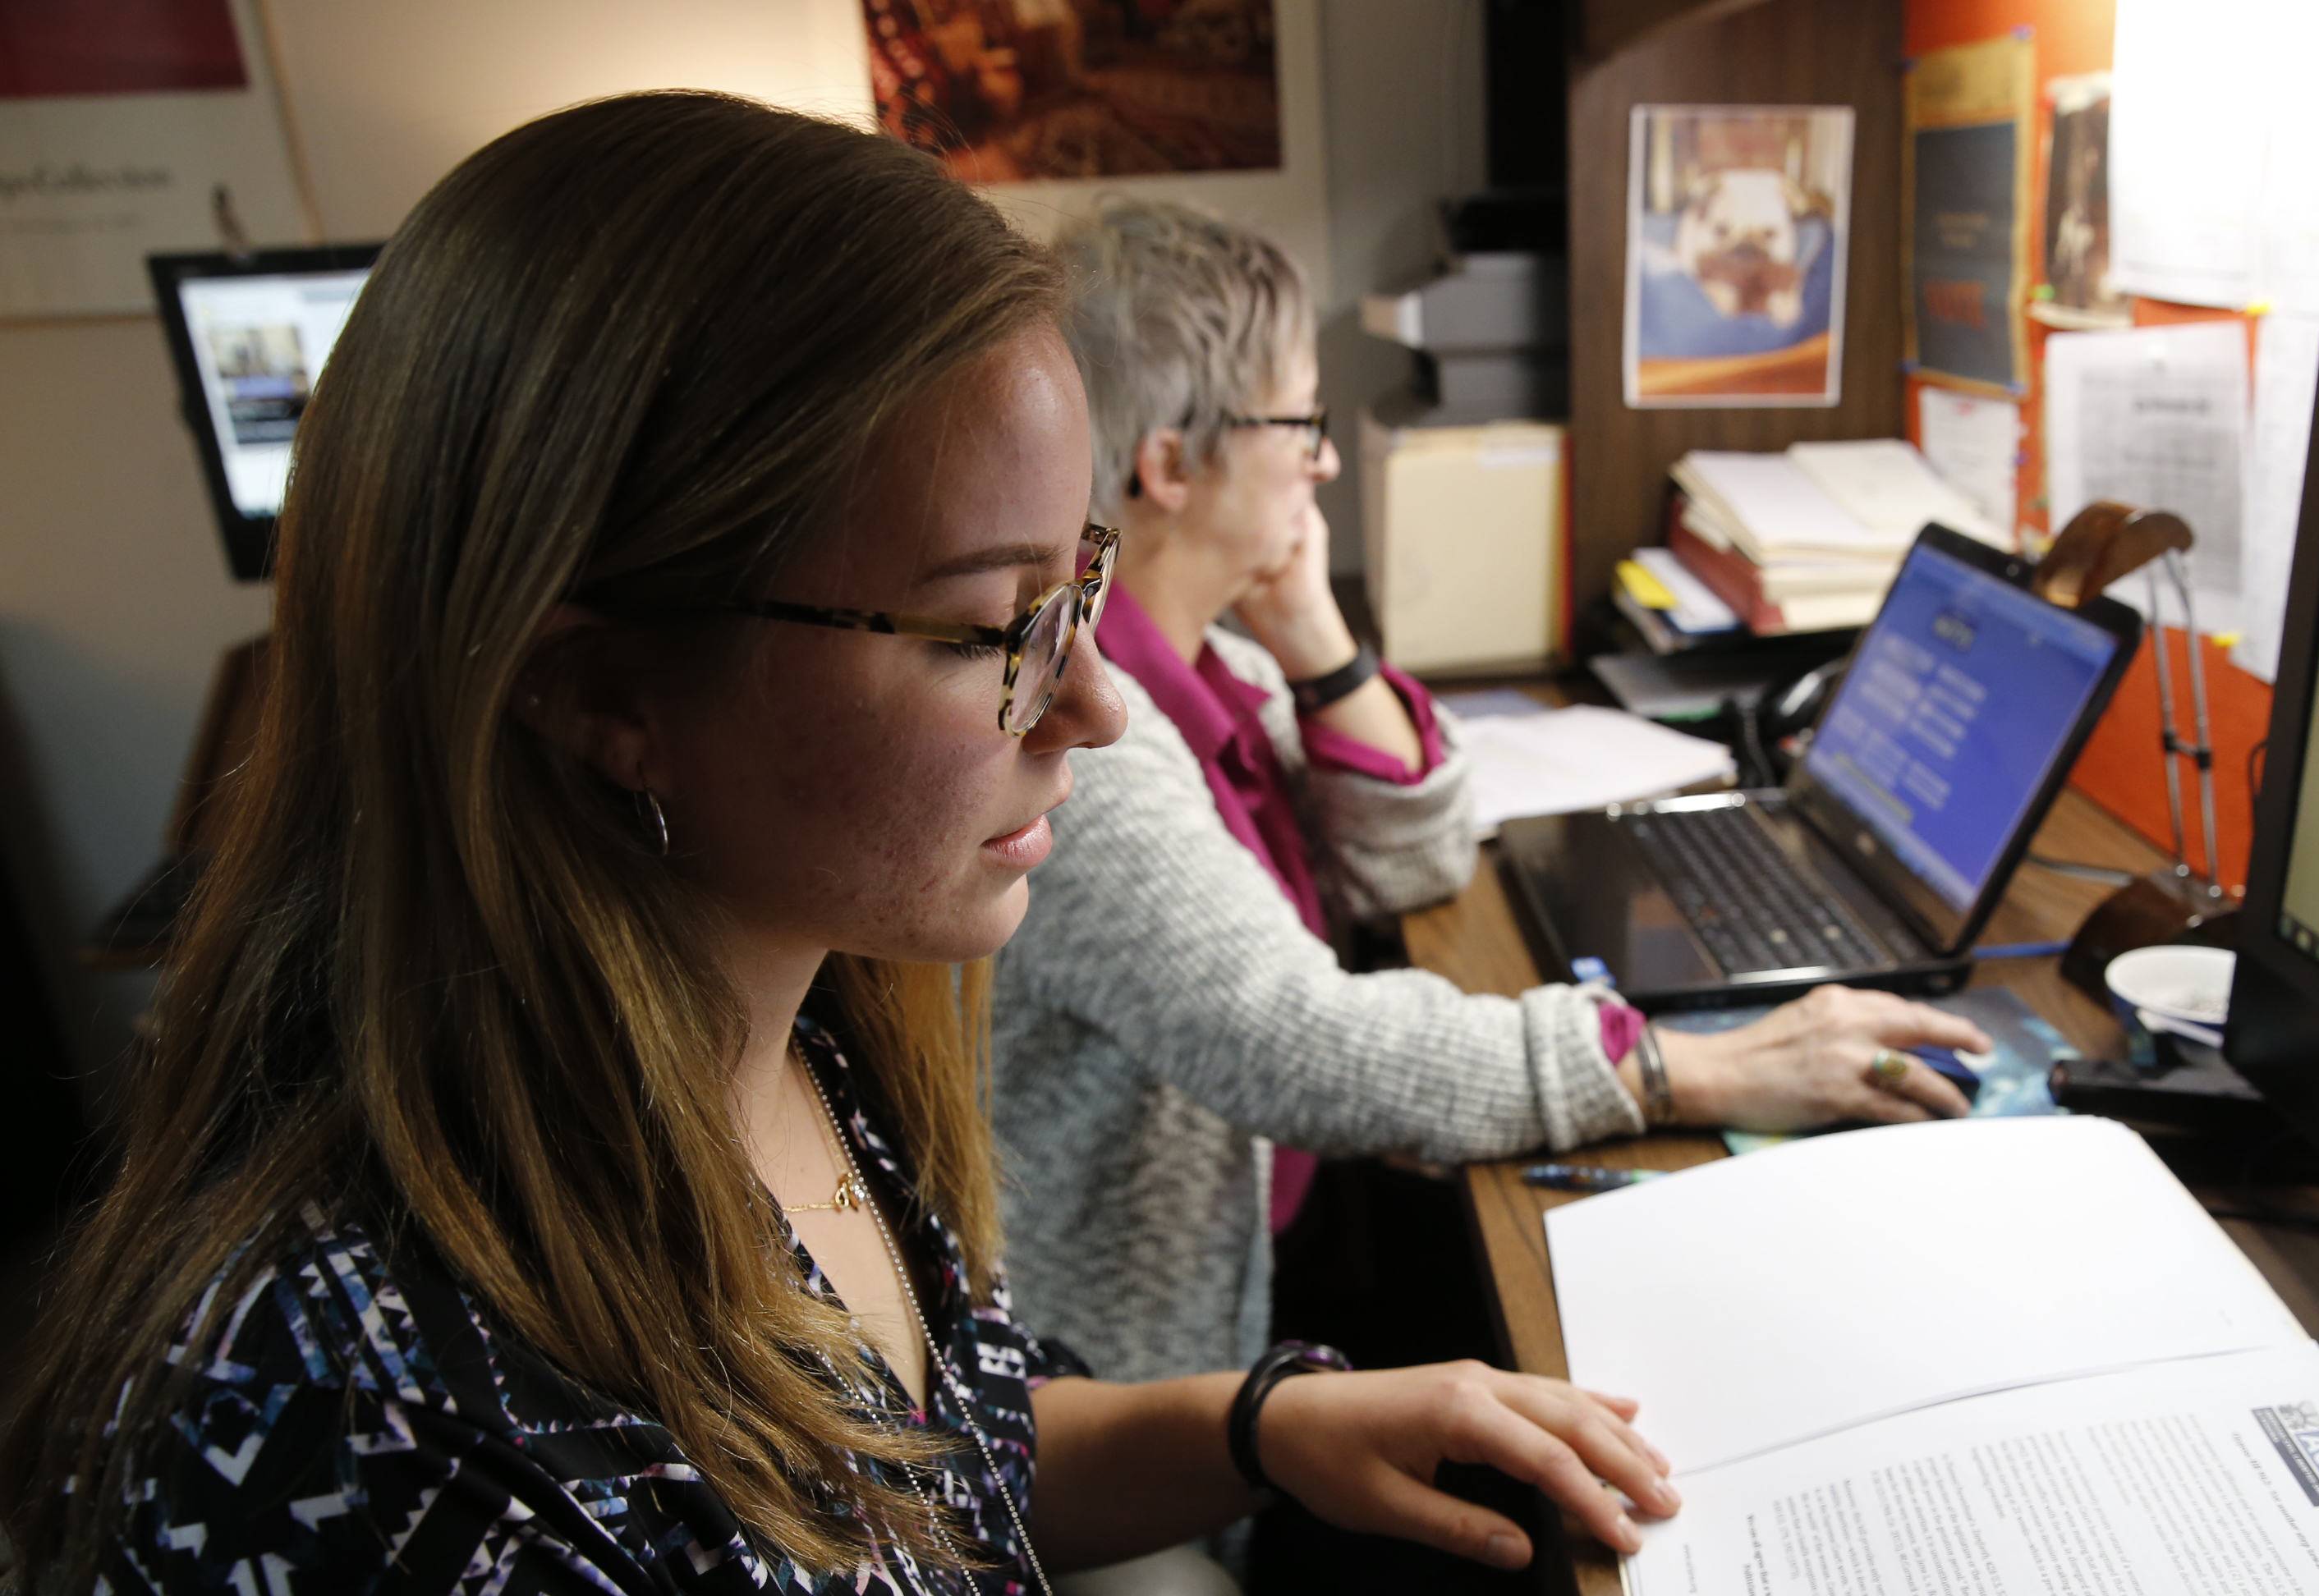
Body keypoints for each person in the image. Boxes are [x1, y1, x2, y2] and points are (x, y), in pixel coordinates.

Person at [0, 94, 1678, 1596]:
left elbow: (935, 1463)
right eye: (981, 629)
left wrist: (1256, 1424)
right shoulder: (379, 1447)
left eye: (1075, 584)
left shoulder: (809, 1018)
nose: (1093, 705)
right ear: (599, 688)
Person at [990, 197, 1995, 1389]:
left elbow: (1418, 862)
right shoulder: (1087, 744)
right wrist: (1696, 1070)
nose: (1324, 458)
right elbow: (1298, 1042)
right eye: (1302, 423)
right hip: (1120, 1373)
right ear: (1169, 464)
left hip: (1279, 1241)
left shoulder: (1221, 657)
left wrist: (1320, 637)